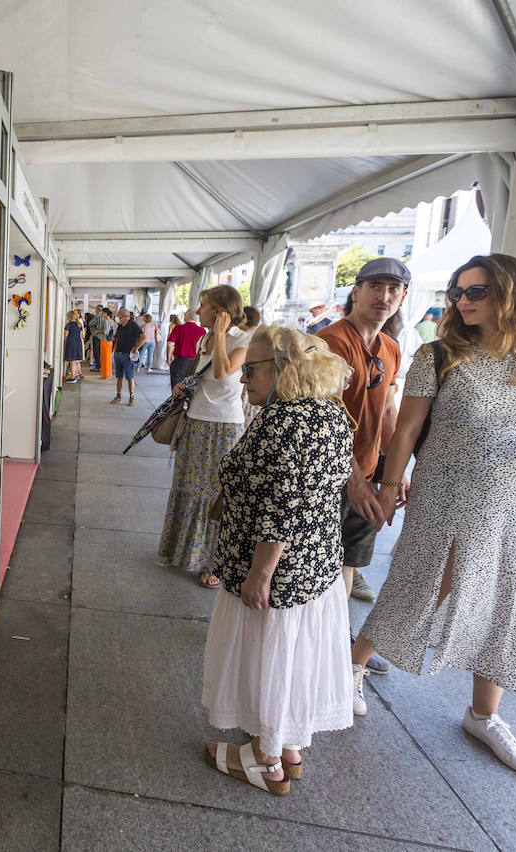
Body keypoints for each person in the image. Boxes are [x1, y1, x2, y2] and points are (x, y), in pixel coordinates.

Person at [351, 253, 516, 777]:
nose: (462, 301)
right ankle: (353, 663)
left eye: (475, 291)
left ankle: (485, 713)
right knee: (426, 583)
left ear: (510, 291)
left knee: (506, 595)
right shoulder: (439, 353)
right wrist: (389, 486)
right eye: (457, 292)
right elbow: (406, 430)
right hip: (447, 490)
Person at [202, 325, 355, 795]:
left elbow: (282, 506)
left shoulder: (283, 420)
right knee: (291, 656)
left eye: (250, 369)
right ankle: (287, 747)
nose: (243, 379)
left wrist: (259, 574)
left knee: (267, 654)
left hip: (276, 572)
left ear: (284, 369)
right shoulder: (328, 413)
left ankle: (266, 761)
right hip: (315, 567)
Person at [315, 258, 409, 617]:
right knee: (314, 563)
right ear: (356, 292)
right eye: (375, 287)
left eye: (393, 289)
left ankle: (337, 646)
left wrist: (396, 470)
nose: (384, 296)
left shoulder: (390, 347)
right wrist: (354, 480)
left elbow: (387, 410)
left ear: (402, 297)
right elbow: (325, 419)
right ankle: (314, 645)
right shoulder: (330, 342)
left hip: (367, 473)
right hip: (327, 476)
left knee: (348, 563)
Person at [156, 286, 250, 583]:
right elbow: (203, 377)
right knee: (186, 487)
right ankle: (183, 551)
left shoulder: (243, 340)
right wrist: (183, 386)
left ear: (221, 311)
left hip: (223, 427)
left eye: (204, 305)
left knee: (214, 494)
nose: (198, 311)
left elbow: (224, 373)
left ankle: (213, 563)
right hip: (195, 420)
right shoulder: (202, 338)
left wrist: (221, 335)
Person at [111, 308, 143, 405]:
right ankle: (118, 396)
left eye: (118, 316)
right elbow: (117, 339)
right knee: (119, 376)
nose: (117, 318)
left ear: (123, 316)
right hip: (119, 354)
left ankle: (131, 397)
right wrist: (115, 352)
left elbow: (143, 337)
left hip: (128, 355)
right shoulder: (121, 326)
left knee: (130, 377)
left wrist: (136, 348)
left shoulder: (132, 324)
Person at [168, 310, 207, 390]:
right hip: (195, 362)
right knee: (190, 389)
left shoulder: (179, 328)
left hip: (180, 362)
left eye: (185, 314)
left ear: (188, 316)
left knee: (176, 388)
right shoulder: (202, 330)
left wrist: (169, 357)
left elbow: (170, 343)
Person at [63, 309, 85, 382]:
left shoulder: (69, 324)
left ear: (69, 317)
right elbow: (81, 335)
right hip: (78, 342)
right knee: (77, 361)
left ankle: (73, 377)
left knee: (72, 361)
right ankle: (76, 375)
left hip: (71, 343)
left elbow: (66, 334)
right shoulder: (79, 324)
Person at [98, 307, 117, 379]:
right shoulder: (112, 321)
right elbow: (115, 329)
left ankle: (105, 374)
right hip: (110, 341)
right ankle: (108, 374)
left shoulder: (105, 321)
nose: (101, 314)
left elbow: (105, 331)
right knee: (108, 358)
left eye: (102, 312)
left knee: (104, 358)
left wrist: (98, 331)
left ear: (106, 313)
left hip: (105, 340)